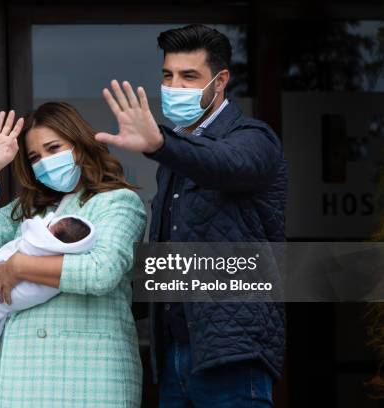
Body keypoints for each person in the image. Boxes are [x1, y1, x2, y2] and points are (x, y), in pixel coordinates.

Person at [95, 24, 288, 407]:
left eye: (189, 76)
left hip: (233, 356)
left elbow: (223, 164)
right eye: (168, 75)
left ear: (220, 82)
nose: (175, 86)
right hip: (174, 357)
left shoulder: (254, 139)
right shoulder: (174, 158)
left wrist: (162, 143)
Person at [0, 101, 146, 407]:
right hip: (24, 377)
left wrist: (20, 267)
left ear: (80, 145)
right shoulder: (36, 210)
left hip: (87, 378)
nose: (45, 161)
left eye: (53, 148)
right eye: (35, 157)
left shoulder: (117, 202)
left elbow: (101, 272)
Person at [0, 213, 96, 341]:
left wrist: (19, 265)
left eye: (50, 228)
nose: (47, 227)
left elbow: (99, 274)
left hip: (39, 326)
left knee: (3, 301)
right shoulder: (30, 205)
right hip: (18, 339)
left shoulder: (109, 205)